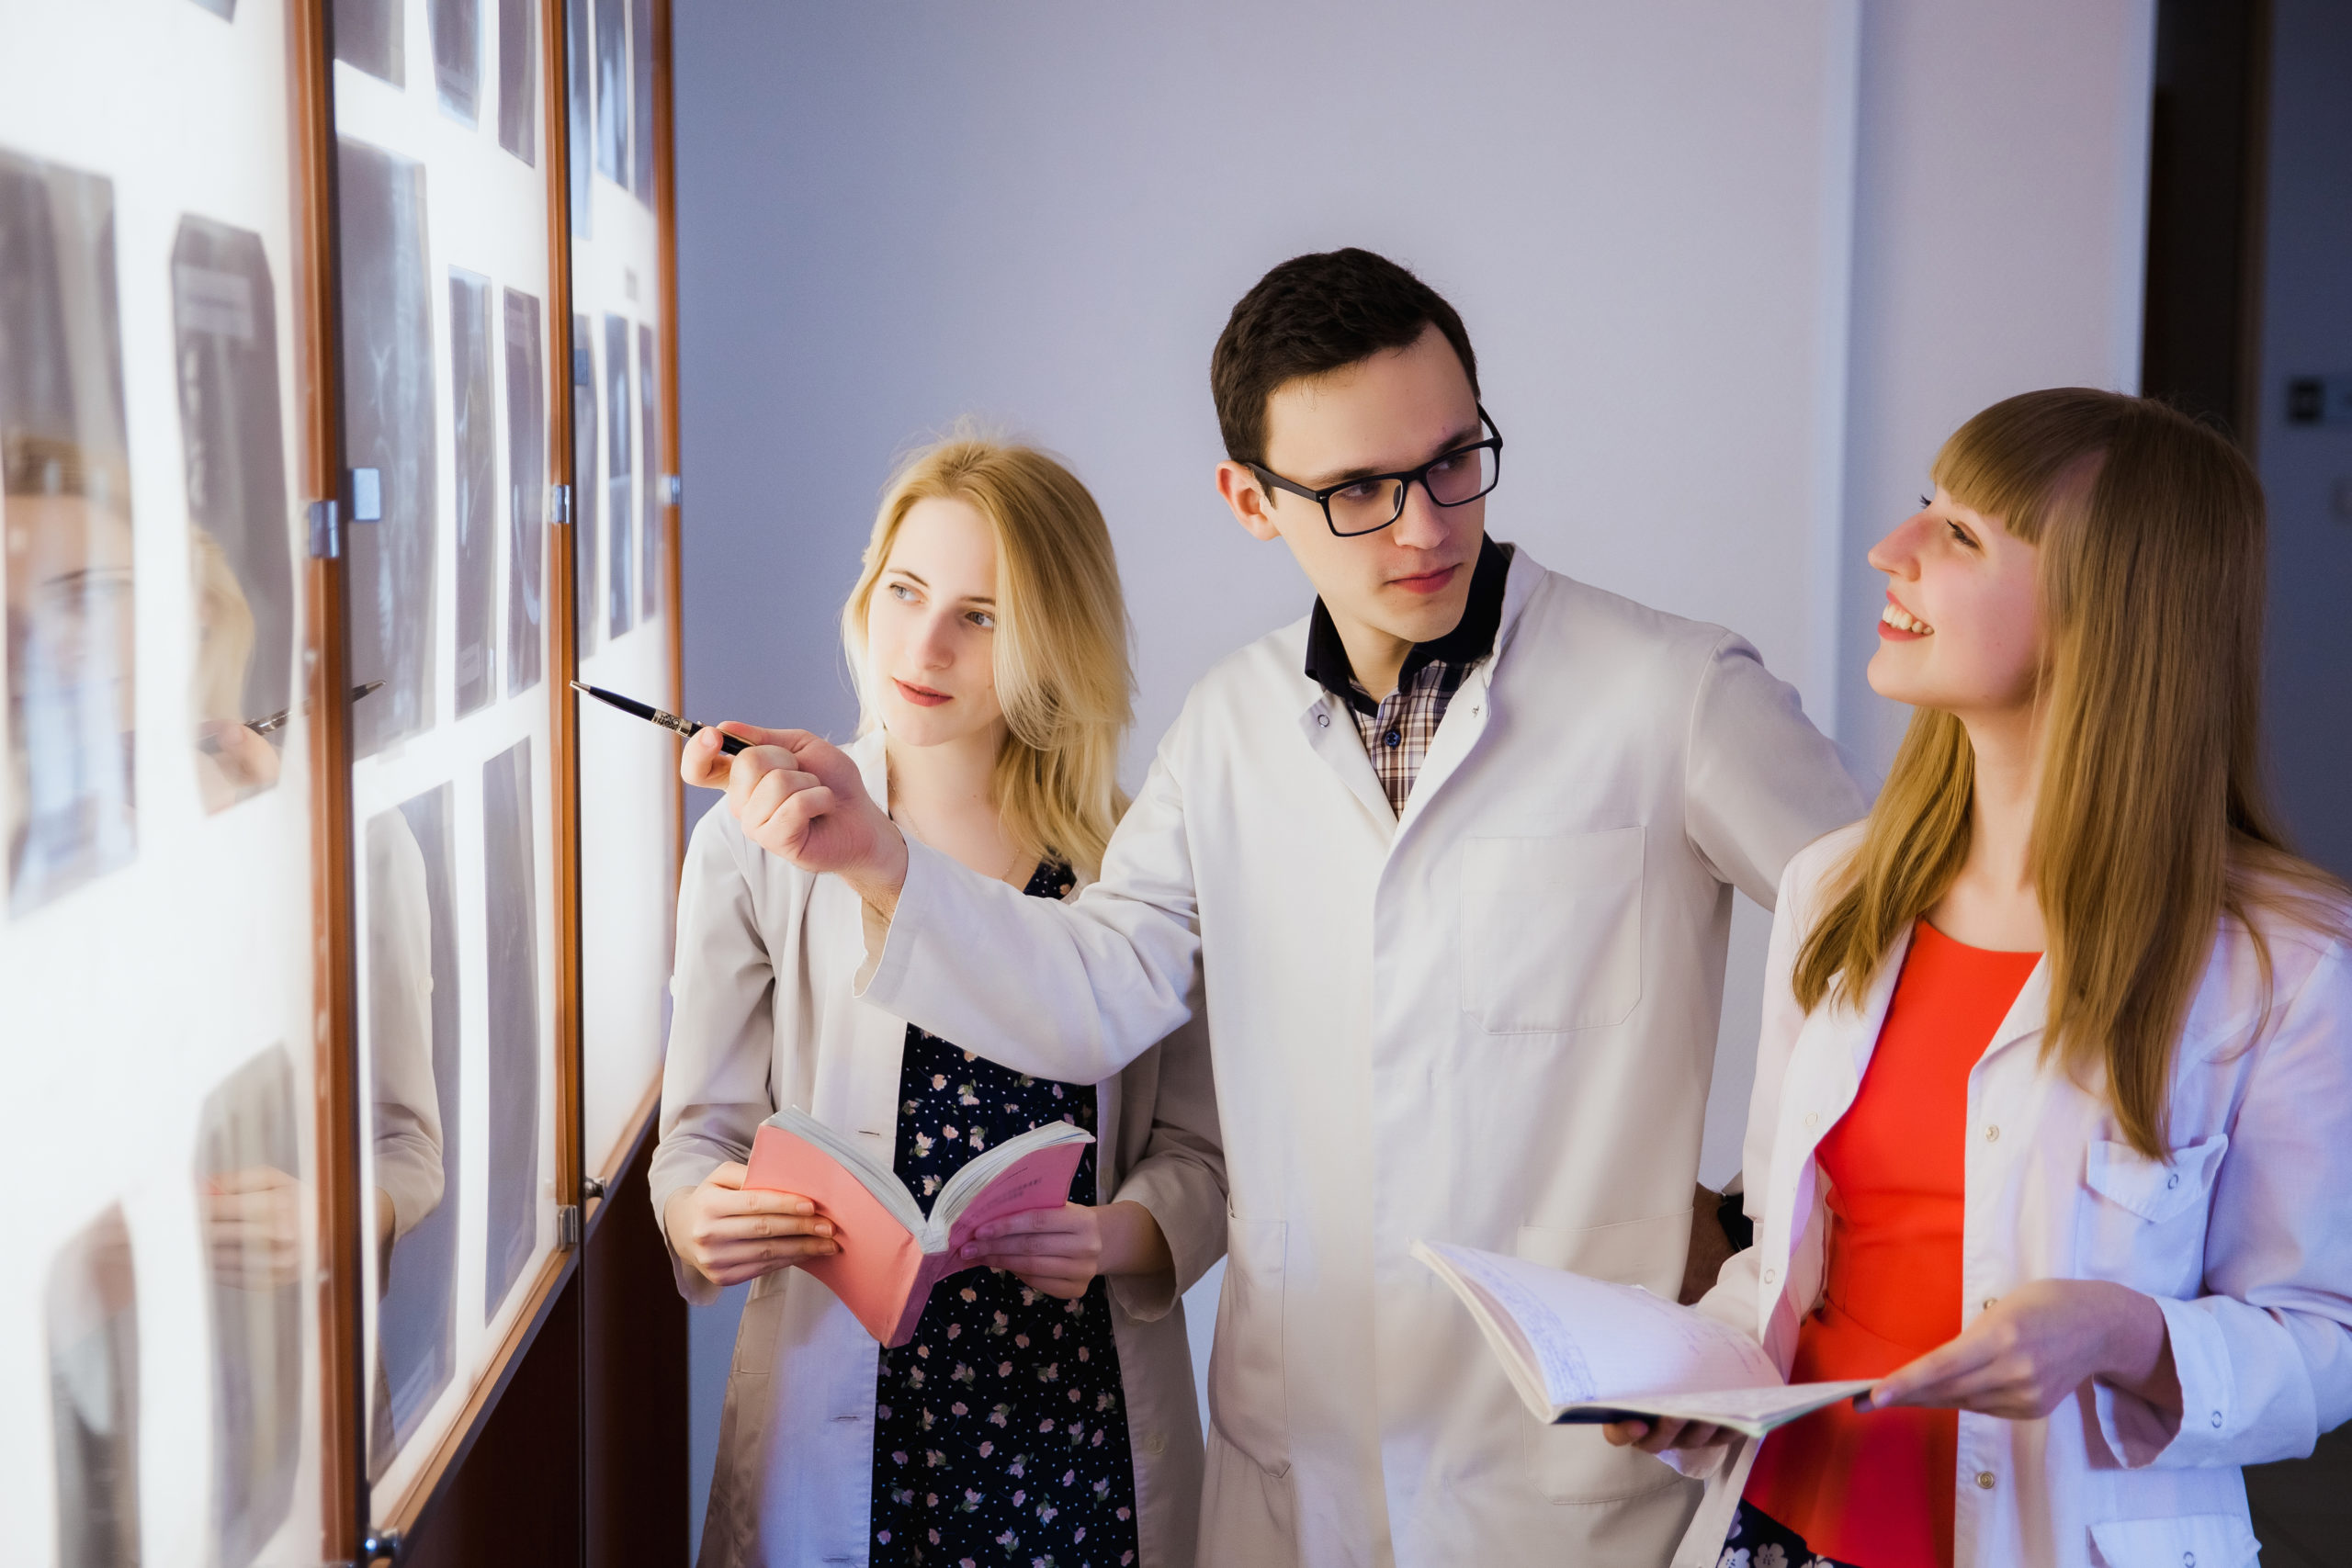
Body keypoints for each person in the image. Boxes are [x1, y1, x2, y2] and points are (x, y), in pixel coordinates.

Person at [686, 249, 1870, 1563]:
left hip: (1565, 1472)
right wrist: (877, 857)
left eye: (1452, 459)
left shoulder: (1674, 690)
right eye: (1359, 489)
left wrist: (1760, 1237)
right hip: (1291, 1471)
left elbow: (1889, 941)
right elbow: (1093, 991)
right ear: (1249, 500)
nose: (1425, 524)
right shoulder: (1231, 729)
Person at [1606, 389, 2352, 1568]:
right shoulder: (1835, 889)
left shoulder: (2282, 963)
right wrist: (1691, 1382)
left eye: (1958, 537)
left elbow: (2322, 1339)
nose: (1889, 552)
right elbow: (1780, 1272)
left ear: (2105, 612)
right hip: (1784, 1531)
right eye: (1924, 511)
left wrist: (2122, 1334)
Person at [651, 436, 1225, 1568]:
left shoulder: (1133, 866)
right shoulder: (757, 847)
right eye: (906, 592)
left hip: (1075, 1446)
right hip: (846, 1427)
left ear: (1054, 640)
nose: (923, 645)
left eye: (984, 615)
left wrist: (1114, 1236)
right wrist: (696, 1214)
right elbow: (696, 1140)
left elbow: (1201, 1157)